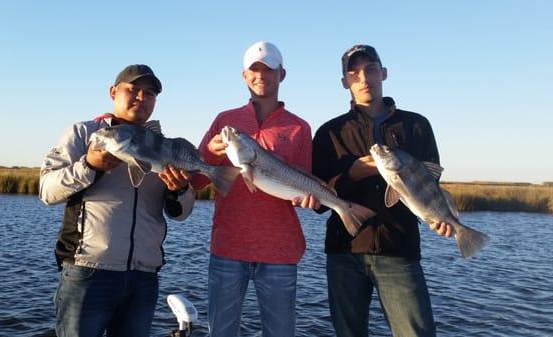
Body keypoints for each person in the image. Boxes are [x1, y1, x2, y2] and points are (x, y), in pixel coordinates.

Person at [39, 64, 195, 337]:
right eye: (132, 89)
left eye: (149, 93)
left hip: (144, 277)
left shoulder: (165, 146)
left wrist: (179, 190)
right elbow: (47, 190)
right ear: (113, 92)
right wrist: (89, 165)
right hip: (88, 272)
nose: (141, 97)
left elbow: (182, 213)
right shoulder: (84, 134)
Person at [311, 44, 454, 337]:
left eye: (371, 69)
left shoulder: (417, 126)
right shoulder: (329, 133)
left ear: (384, 73)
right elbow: (319, 202)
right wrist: (352, 173)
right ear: (344, 83)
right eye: (354, 73)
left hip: (399, 249)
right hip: (344, 252)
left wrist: (441, 218)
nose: (364, 78)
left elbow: (430, 186)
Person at [191, 41, 318, 337]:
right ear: (244, 76)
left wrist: (308, 199)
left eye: (269, 69)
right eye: (254, 69)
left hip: (280, 252)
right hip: (227, 248)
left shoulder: (300, 128)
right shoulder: (225, 121)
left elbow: (303, 184)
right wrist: (210, 152)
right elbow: (196, 182)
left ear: (282, 74)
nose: (261, 75)